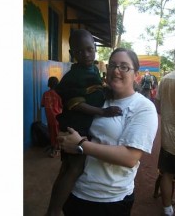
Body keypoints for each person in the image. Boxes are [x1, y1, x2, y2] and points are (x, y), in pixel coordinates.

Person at [58, 48, 158, 216]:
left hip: (109, 199)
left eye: (124, 67)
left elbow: (130, 157)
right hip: (77, 190)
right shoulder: (98, 98)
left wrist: (81, 145)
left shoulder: (143, 107)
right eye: (112, 65)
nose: (116, 70)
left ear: (136, 74)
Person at [46, 29, 122, 216]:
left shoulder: (92, 69)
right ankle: (54, 211)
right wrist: (103, 112)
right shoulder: (74, 76)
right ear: (72, 54)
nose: (86, 54)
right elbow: (76, 104)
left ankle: (52, 210)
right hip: (76, 124)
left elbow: (93, 89)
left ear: (95, 48)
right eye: (80, 52)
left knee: (66, 168)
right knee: (75, 168)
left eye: (89, 49)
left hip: (79, 124)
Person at [154, 40, 175, 216]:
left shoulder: (165, 80)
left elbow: (158, 108)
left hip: (168, 140)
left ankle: (167, 209)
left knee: (166, 173)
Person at [41, 76, 62, 157]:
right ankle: (57, 148)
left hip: (50, 118)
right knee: (56, 133)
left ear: (48, 84)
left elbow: (43, 104)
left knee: (53, 133)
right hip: (57, 118)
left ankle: (55, 149)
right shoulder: (59, 94)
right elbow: (61, 106)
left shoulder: (45, 94)